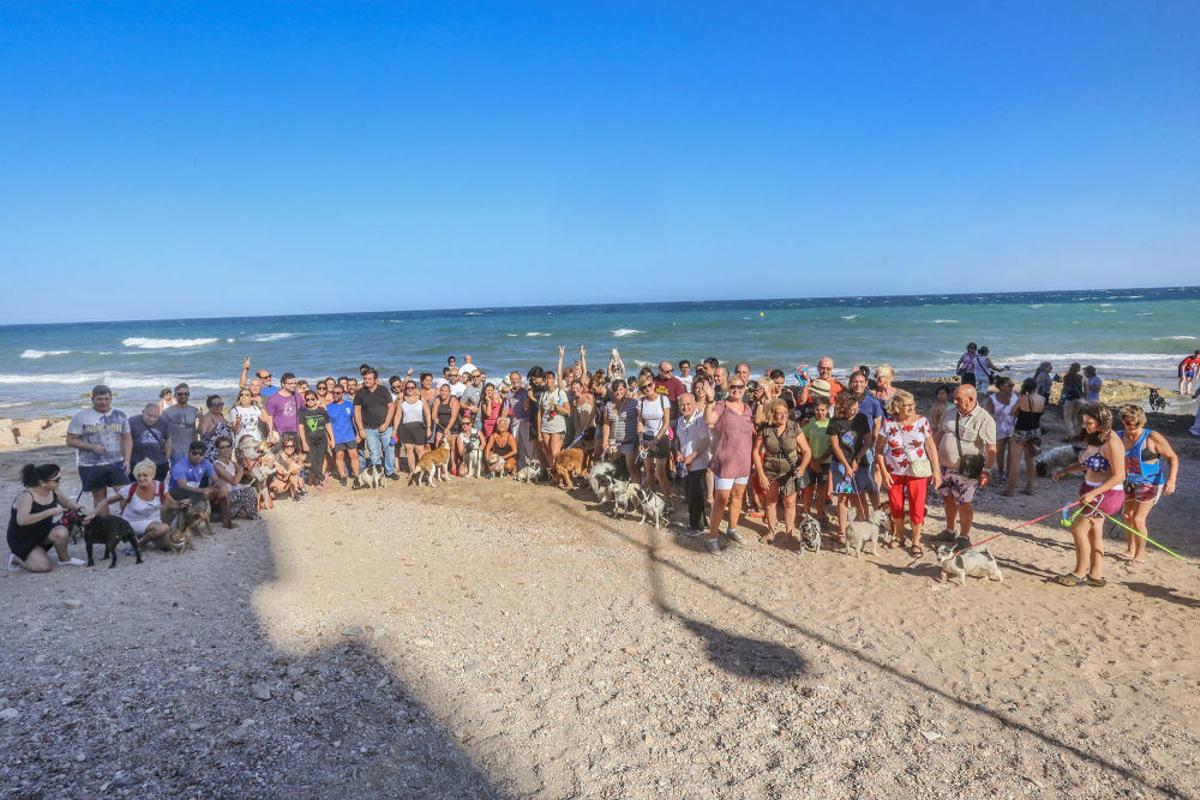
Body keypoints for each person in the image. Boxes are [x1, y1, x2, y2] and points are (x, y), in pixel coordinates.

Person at [1052, 403, 1126, 587]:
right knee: (1094, 534)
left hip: (1105, 494)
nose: (1085, 426)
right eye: (1084, 422)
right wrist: (1066, 470)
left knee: (1078, 529)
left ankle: (1079, 573)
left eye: (1089, 422)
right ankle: (1095, 575)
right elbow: (1089, 463)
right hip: (1091, 490)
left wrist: (1094, 493)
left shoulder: (1113, 443)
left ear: (1102, 421)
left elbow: (1119, 476)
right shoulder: (1096, 437)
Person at [875, 390, 941, 555]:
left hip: (918, 470)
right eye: (907, 406)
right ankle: (899, 536)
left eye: (913, 405)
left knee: (917, 504)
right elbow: (878, 450)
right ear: (897, 407)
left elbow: (931, 447)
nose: (912, 408)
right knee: (896, 504)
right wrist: (883, 472)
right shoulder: (888, 424)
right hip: (894, 470)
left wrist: (937, 471)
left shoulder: (922, 422)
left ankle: (916, 540)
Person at [934, 384, 997, 545]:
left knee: (963, 503)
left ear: (971, 399)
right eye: (954, 398)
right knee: (947, 498)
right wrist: (932, 457)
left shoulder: (984, 419)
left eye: (958, 399)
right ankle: (949, 530)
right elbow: (940, 433)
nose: (954, 402)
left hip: (966, 469)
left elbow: (991, 448)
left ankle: (964, 537)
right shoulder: (950, 412)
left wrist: (987, 471)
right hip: (945, 467)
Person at [1118, 405, 1178, 566]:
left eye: (1136, 424)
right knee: (1127, 516)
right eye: (1129, 423)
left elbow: (1172, 457)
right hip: (1129, 482)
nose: (1133, 427)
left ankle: (1140, 555)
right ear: (1123, 422)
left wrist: (1172, 480)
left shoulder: (1151, 437)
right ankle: (1130, 549)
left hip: (1150, 482)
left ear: (1141, 422)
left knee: (1138, 519)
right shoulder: (1118, 437)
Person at [6, 463, 89, 572]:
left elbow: (67, 502)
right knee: (44, 567)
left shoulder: (54, 490)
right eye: (56, 479)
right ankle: (16, 557)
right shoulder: (27, 496)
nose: (59, 482)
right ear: (42, 483)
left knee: (61, 532)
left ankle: (64, 559)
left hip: (42, 532)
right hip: (23, 539)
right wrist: (50, 512)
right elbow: (22, 520)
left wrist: (82, 510)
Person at [704, 377, 754, 554]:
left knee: (738, 496)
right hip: (725, 460)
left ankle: (732, 529)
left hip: (743, 461)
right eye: (733, 386)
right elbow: (708, 419)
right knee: (721, 500)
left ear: (744, 388)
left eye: (740, 387)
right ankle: (712, 536)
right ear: (728, 388)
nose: (736, 389)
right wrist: (710, 399)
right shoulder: (721, 405)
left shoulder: (748, 408)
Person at [65, 384, 132, 514]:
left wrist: (127, 460)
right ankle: (104, 525)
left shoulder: (120, 415)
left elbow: (127, 438)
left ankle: (127, 522)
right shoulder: (81, 417)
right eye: (100, 399)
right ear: (93, 399)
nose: (103, 402)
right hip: (91, 464)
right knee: (100, 496)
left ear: (111, 399)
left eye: (107, 399)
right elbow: (70, 440)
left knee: (126, 494)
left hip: (116, 463)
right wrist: (92, 447)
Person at [753, 398, 812, 543]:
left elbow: (807, 451)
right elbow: (756, 452)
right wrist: (760, 474)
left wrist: (802, 468)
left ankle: (789, 532)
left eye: (785, 413)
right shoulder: (765, 428)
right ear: (773, 414)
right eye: (779, 413)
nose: (783, 416)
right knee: (770, 502)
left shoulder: (794, 427)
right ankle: (771, 531)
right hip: (771, 469)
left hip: (790, 470)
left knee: (790, 502)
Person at [94, 458, 191, 546]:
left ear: (152, 475)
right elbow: (106, 501)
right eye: (138, 475)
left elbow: (171, 504)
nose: (141, 478)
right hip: (133, 522)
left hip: (154, 520)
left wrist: (181, 504)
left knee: (171, 545)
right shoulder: (130, 489)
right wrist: (93, 514)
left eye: (145, 475)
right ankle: (139, 544)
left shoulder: (160, 487)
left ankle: (147, 536)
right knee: (163, 528)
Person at [827, 394, 870, 543]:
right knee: (844, 496)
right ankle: (842, 531)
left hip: (859, 461)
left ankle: (862, 527)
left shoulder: (862, 418)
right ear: (845, 408)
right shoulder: (834, 422)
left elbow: (868, 440)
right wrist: (846, 465)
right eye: (852, 409)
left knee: (859, 494)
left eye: (857, 408)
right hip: (840, 462)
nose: (855, 411)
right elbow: (835, 445)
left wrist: (857, 459)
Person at [675, 392, 711, 536]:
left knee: (695, 495)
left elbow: (705, 442)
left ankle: (696, 527)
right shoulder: (680, 421)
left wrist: (692, 457)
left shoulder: (701, 419)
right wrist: (677, 452)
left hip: (699, 462)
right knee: (691, 494)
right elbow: (678, 440)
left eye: (688, 404)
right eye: (682, 404)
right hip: (685, 463)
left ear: (694, 404)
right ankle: (702, 522)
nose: (685, 407)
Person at [1005, 378, 1047, 496]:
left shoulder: (1023, 398)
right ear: (1036, 387)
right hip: (1035, 431)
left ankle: (1010, 490)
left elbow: (1012, 412)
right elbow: (1040, 414)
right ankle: (1030, 488)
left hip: (1021, 431)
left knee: (1015, 461)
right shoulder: (1042, 399)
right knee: (1030, 460)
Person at [353, 369, 395, 477]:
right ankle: (378, 473)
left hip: (386, 427)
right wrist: (361, 429)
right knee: (374, 453)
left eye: (369, 379)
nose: (366, 381)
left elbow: (391, 407)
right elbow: (357, 411)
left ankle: (389, 472)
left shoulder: (383, 390)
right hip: (369, 428)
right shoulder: (360, 393)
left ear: (375, 380)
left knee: (390, 450)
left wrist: (386, 424)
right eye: (365, 379)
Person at [600, 379, 640, 484]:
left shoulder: (634, 403)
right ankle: (619, 495)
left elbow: (641, 421)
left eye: (621, 389)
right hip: (614, 442)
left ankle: (638, 494)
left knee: (632, 469)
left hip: (630, 442)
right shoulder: (608, 405)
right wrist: (605, 441)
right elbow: (606, 424)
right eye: (615, 390)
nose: (618, 392)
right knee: (615, 468)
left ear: (626, 389)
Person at [800, 396, 832, 522]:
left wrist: (819, 461)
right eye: (817, 410)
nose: (820, 412)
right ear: (814, 410)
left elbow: (833, 446)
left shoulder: (832, 424)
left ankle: (819, 514)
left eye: (823, 410)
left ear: (828, 410)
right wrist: (812, 460)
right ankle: (806, 513)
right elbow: (803, 441)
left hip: (825, 462)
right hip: (810, 461)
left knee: (822, 490)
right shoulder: (811, 422)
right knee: (808, 488)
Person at [325, 383, 360, 485]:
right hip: (337, 437)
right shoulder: (329, 408)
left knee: (354, 455)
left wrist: (357, 434)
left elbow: (354, 420)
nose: (335, 395)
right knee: (339, 457)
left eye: (338, 393)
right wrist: (330, 439)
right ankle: (343, 477)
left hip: (350, 435)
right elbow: (327, 425)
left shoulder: (349, 405)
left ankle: (357, 476)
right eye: (333, 393)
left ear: (343, 393)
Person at [985, 377, 1018, 482]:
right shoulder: (993, 398)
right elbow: (987, 413)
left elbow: (1019, 410)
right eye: (1009, 385)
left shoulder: (1015, 397)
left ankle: (1008, 473)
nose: (1012, 387)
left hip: (1013, 427)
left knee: (1011, 452)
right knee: (1000, 452)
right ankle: (1000, 472)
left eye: (1012, 385)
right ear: (1001, 386)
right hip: (998, 428)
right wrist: (992, 416)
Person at [539, 369, 571, 475]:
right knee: (547, 451)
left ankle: (563, 475)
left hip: (557, 426)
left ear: (554, 380)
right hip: (545, 426)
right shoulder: (543, 395)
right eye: (546, 379)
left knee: (555, 453)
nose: (548, 381)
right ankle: (556, 475)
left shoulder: (560, 393)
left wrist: (557, 407)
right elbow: (540, 413)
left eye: (550, 379)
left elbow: (568, 411)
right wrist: (539, 429)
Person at [299, 391, 333, 489]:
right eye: (308, 399)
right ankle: (321, 477)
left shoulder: (322, 411)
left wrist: (332, 439)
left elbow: (328, 425)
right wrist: (304, 442)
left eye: (312, 398)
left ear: (316, 399)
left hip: (322, 440)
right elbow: (301, 428)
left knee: (320, 460)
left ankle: (317, 482)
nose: (310, 401)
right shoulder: (303, 412)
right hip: (309, 440)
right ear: (305, 401)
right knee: (311, 461)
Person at [500, 371, 534, 469]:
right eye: (513, 379)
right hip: (514, 421)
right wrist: (502, 420)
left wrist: (527, 395)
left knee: (527, 444)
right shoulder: (509, 393)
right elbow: (506, 408)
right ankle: (519, 465)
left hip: (526, 420)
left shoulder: (525, 390)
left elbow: (527, 408)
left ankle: (529, 465)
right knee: (515, 443)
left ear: (520, 379)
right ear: (510, 380)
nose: (515, 381)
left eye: (517, 379)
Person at [129, 402, 170, 482]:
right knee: (137, 488)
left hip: (158, 462)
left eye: (155, 416)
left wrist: (167, 457)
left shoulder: (163, 422)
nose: (152, 419)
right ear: (143, 412)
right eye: (149, 416)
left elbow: (168, 440)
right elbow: (125, 440)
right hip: (137, 462)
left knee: (156, 488)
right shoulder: (132, 422)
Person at [395, 381, 429, 475]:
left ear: (415, 388)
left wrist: (429, 427)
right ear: (405, 389)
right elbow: (398, 415)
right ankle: (412, 472)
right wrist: (395, 430)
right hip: (405, 428)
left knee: (420, 450)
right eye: (408, 387)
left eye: (412, 387)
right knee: (409, 450)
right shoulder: (401, 400)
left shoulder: (422, 399)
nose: (410, 389)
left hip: (419, 428)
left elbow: (427, 414)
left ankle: (422, 471)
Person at [162, 383, 200, 466]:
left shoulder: (194, 411)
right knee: (177, 475)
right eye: (180, 394)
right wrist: (167, 451)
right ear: (175, 395)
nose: (183, 396)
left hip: (191, 450)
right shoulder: (167, 412)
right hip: (175, 450)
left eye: (186, 394)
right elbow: (162, 433)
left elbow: (199, 431)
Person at [264, 373, 303, 443]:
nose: (293, 385)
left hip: (296, 433)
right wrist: (271, 435)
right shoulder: (273, 399)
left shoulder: (298, 396)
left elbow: (304, 411)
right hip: (280, 434)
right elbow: (269, 419)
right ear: (282, 384)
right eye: (290, 383)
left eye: (294, 383)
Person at [199, 394, 233, 462]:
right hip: (213, 456)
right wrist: (201, 421)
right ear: (210, 406)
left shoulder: (220, 415)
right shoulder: (207, 418)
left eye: (221, 404)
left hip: (224, 453)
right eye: (216, 405)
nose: (220, 406)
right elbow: (202, 435)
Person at [1060, 363, 1084, 439]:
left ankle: (1071, 435)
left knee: (1067, 418)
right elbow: (1082, 389)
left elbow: (1064, 389)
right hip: (1079, 399)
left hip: (1069, 398)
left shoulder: (1066, 377)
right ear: (1078, 369)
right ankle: (1075, 433)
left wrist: (1061, 398)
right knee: (1074, 417)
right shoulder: (1080, 377)